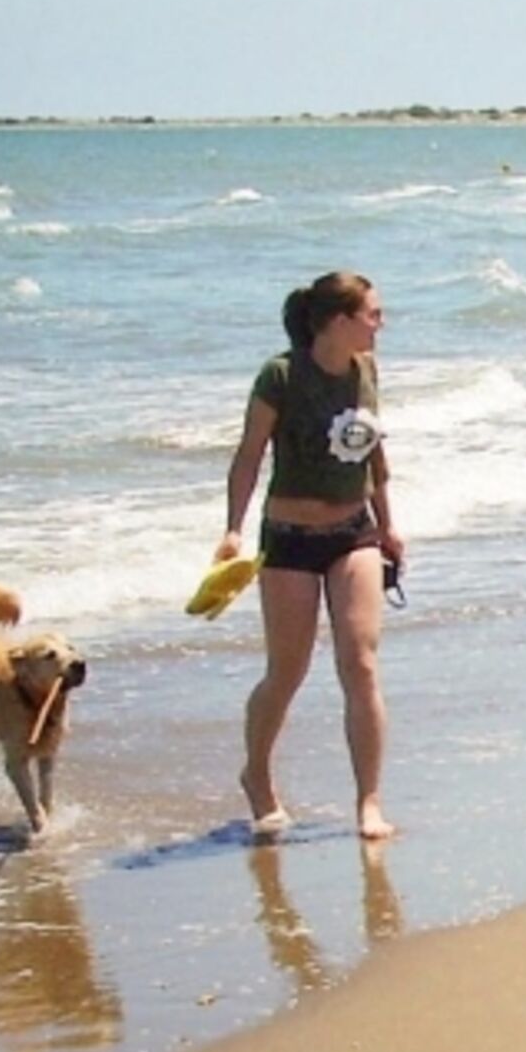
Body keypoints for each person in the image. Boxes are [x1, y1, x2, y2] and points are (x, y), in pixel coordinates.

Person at [216, 271, 404, 841]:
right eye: (372, 314)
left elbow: (373, 454)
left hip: (354, 532)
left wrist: (389, 525)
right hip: (289, 540)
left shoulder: (366, 369)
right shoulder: (280, 376)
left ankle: (369, 801)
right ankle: (256, 775)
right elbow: (249, 456)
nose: (380, 324)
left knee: (360, 663)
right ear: (338, 321)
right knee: (288, 671)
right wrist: (233, 531)